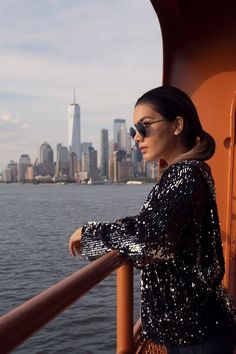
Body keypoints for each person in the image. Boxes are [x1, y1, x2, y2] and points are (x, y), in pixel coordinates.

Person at [69, 86, 236, 354]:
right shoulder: (186, 173)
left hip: (196, 335)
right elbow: (158, 225)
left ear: (177, 125)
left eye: (145, 126)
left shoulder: (186, 175)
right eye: (135, 129)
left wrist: (90, 235)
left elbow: (149, 239)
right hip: (194, 327)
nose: (137, 137)